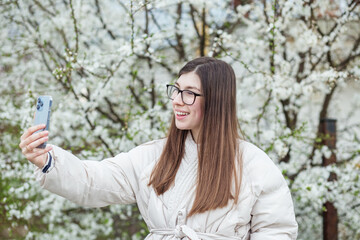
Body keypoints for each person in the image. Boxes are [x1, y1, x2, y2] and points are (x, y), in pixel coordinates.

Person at [19, 57, 298, 239]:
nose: (177, 100)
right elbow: (93, 181)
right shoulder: (154, 156)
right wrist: (48, 160)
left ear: (217, 100)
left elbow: (277, 231)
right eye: (176, 90)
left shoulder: (253, 164)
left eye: (189, 93)